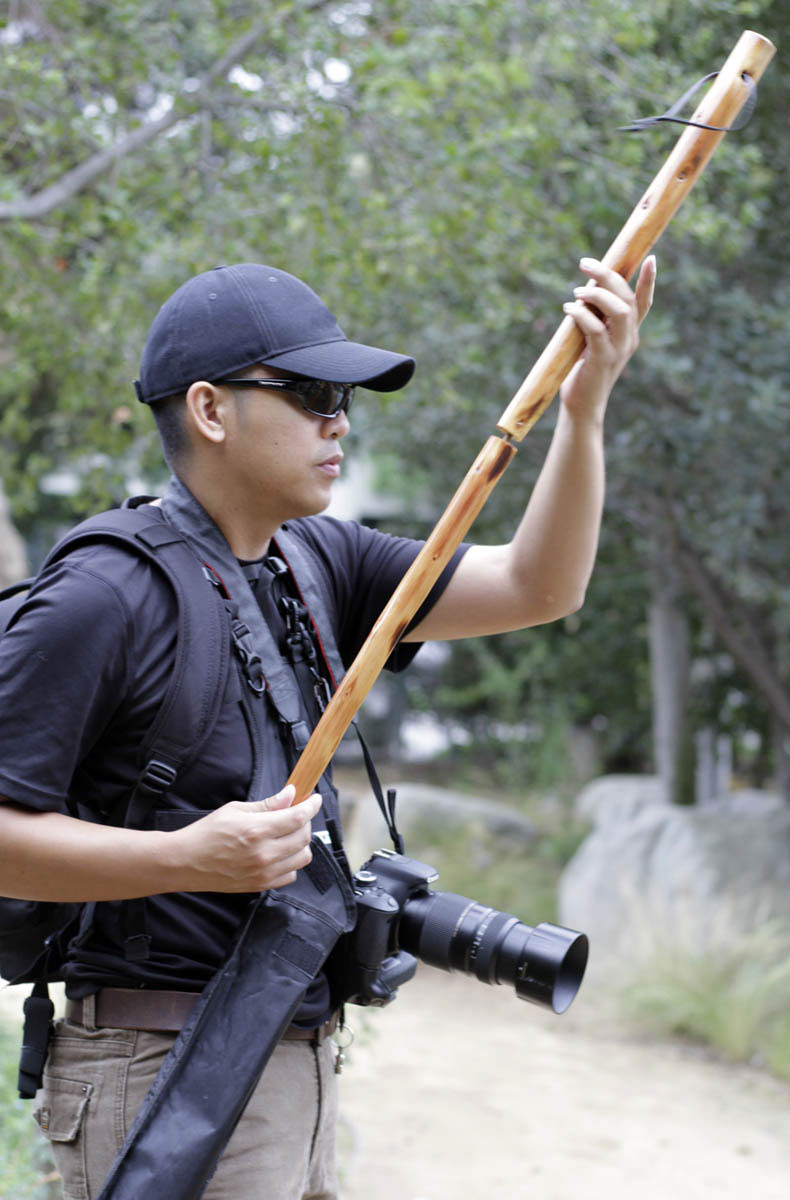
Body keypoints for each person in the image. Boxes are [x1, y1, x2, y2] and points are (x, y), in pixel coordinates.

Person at [0, 254, 655, 1199]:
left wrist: (586, 408)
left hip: (293, 1063)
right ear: (210, 411)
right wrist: (187, 857)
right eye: (309, 392)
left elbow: (536, 586)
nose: (337, 419)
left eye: (343, 396)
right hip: (158, 1071)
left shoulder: (319, 562)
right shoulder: (104, 593)